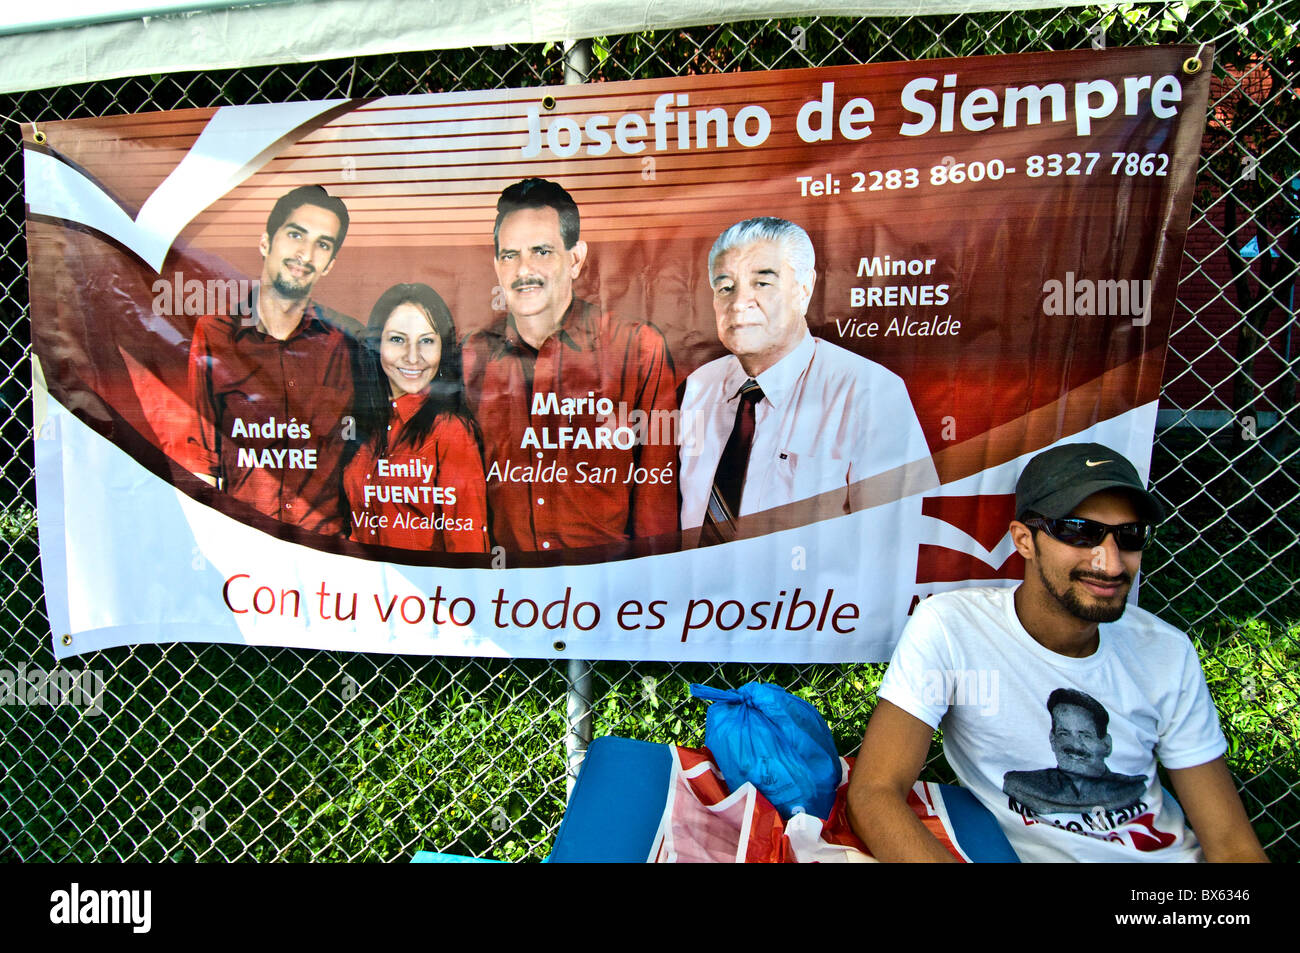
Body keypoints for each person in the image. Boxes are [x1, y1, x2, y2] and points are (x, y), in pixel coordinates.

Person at [847, 442, 1269, 862]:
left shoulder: (1165, 652)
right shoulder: (954, 628)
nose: (1110, 561)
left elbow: (1231, 844)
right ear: (1024, 540)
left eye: (1129, 536)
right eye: (1080, 532)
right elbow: (874, 792)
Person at [678, 217, 936, 543]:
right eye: (725, 286)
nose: (739, 302)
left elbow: (896, 547)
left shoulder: (870, 393)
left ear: (803, 289)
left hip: (810, 595)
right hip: (692, 593)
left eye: (762, 283)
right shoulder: (698, 387)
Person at [462, 178, 678, 553]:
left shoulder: (638, 349)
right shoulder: (472, 357)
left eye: (541, 251)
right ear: (497, 265)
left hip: (607, 594)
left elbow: (655, 500)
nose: (523, 269)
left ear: (575, 259)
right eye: (510, 255)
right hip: (506, 596)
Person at [184, 185, 355, 535]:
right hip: (247, 546)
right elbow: (202, 461)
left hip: (329, 555)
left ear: (331, 264)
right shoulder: (215, 335)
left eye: (322, 244)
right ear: (266, 242)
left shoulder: (347, 345)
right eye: (296, 235)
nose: (305, 254)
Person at [343, 283, 488, 552]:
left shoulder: (450, 430)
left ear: (443, 348)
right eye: (397, 339)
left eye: (427, 341)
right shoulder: (364, 424)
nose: (413, 357)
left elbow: (468, 547)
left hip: (422, 592)